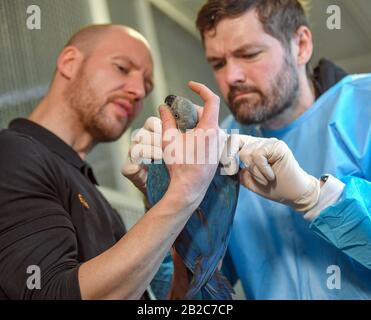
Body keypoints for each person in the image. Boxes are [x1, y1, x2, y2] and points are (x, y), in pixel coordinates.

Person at [0, 24, 225, 299]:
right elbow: (50, 293)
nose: (139, 91)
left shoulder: (92, 195)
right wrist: (184, 191)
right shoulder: (11, 152)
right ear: (70, 62)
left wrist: (185, 218)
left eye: (147, 84)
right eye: (122, 68)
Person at [194, 0, 371, 299]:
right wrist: (166, 203)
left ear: (301, 45)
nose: (231, 77)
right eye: (218, 63)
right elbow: (197, 294)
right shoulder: (219, 145)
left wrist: (316, 199)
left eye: (249, 54)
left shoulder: (363, 107)